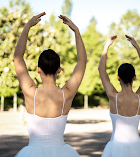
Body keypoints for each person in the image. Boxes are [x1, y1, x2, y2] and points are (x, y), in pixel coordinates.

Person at [14, 12, 87, 157]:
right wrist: (76, 32)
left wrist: (27, 26)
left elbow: (18, 58)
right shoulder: (67, 93)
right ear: (59, 70)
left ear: (38, 69)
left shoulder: (30, 92)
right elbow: (82, 62)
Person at [98, 35, 140, 157]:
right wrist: (137, 47)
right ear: (134, 77)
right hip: (138, 148)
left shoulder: (113, 96)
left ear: (118, 78)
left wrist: (107, 45)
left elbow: (101, 69)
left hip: (115, 147)